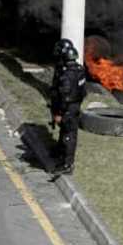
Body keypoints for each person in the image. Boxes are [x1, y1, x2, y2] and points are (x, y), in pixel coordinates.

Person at [49, 39, 87, 176]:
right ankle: (61, 152)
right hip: (74, 106)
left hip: (68, 108)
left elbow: (64, 96)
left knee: (69, 135)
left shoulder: (67, 76)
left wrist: (59, 112)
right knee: (66, 131)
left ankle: (67, 164)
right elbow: (83, 92)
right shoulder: (79, 69)